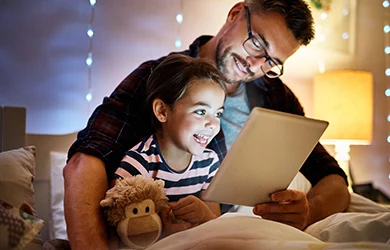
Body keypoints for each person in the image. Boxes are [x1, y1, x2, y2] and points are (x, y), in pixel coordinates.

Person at [63, 0, 351, 249]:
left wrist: (309, 210)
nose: (254, 64)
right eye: (257, 44)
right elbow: (86, 159)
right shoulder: (161, 78)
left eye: (270, 62)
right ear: (236, 13)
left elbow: (334, 178)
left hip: (252, 228)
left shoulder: (276, 95)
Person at [112, 54, 226, 237]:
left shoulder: (209, 162)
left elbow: (215, 223)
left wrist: (205, 215)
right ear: (162, 111)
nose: (213, 124)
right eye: (201, 111)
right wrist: (163, 231)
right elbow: (121, 235)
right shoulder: (138, 164)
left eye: (218, 114)